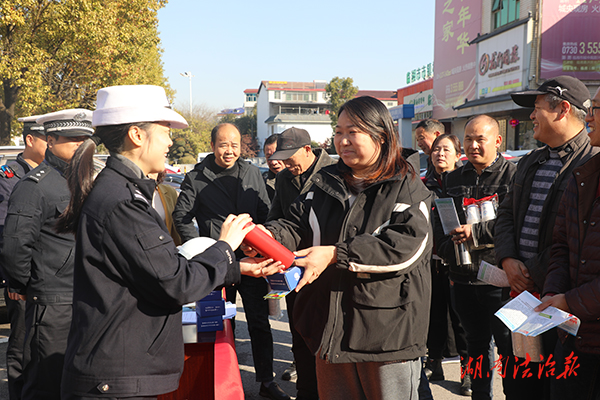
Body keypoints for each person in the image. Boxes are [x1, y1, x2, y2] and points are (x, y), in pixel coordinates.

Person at [56, 85, 281, 400]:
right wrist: (225, 246)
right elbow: (177, 282)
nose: (170, 142)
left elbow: (161, 269)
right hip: (118, 375)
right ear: (137, 135)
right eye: (165, 132)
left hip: (121, 369)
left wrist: (238, 267)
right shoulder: (122, 200)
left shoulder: (121, 191)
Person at [253, 96, 433, 399]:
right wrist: (265, 237)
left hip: (385, 333)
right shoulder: (326, 182)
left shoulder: (406, 184)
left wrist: (337, 253)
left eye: (353, 131)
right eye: (339, 132)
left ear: (381, 136)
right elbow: (295, 226)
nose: (343, 140)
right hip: (329, 326)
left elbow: (404, 247)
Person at [494, 75, 597, 399]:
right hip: (518, 300)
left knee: (552, 388)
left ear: (563, 109)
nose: (531, 116)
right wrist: (508, 260)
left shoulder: (588, 166)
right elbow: (506, 215)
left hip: (559, 304)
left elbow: (569, 241)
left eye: (537, 108)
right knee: (519, 386)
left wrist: (532, 275)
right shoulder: (529, 162)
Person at [173, 123, 289, 400]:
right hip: (215, 262)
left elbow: (265, 212)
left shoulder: (251, 172)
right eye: (224, 144)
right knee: (219, 322)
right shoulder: (196, 177)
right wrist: (203, 249)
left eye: (235, 144)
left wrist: (261, 240)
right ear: (213, 146)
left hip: (251, 259)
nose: (230, 150)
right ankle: (224, 378)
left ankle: (265, 380)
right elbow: (182, 217)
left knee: (259, 322)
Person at [1, 109, 94, 400]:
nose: (80, 146)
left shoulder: (89, 181)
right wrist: (25, 286)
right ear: (50, 141)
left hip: (86, 296)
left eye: (85, 140)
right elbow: (15, 246)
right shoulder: (34, 187)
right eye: (72, 139)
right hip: (52, 301)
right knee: (45, 382)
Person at [434, 115, 517, 400]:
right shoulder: (453, 178)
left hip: (502, 282)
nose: (473, 145)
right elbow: (441, 225)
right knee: (475, 347)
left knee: (509, 350)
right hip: (464, 280)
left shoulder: (513, 176)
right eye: (468, 139)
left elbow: (514, 222)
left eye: (480, 139)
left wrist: (476, 233)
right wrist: (449, 250)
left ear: (497, 140)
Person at [534, 86, 600, 400]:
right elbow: (562, 244)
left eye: (596, 109)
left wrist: (568, 301)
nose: (589, 116)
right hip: (573, 338)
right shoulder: (585, 175)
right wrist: (553, 294)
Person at [266, 126, 336, 399]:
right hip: (294, 268)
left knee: (327, 335)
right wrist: (267, 235)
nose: (285, 164)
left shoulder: (334, 173)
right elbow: (277, 215)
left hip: (327, 266)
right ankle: (306, 390)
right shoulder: (284, 179)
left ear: (308, 150)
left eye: (290, 157)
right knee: (300, 333)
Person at [0, 115, 47, 400]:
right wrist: (15, 280)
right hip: (23, 277)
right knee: (21, 343)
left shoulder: (53, 175)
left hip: (49, 275)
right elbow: (10, 232)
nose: (51, 145)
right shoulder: (10, 178)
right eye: (47, 140)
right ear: (30, 140)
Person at [423, 133, 470, 395]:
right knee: (434, 315)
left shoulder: (462, 185)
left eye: (446, 149)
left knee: (461, 320)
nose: (440, 154)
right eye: (436, 150)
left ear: (457, 155)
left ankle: (469, 372)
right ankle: (434, 363)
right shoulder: (424, 185)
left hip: (459, 260)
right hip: (431, 261)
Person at [150, 170, 182, 246]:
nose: (150, 175)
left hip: (168, 249)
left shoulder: (169, 192)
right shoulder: (130, 192)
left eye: (153, 171)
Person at [262, 134, 285, 201]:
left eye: (277, 155)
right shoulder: (263, 187)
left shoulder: (302, 180)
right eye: (269, 157)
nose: (273, 162)